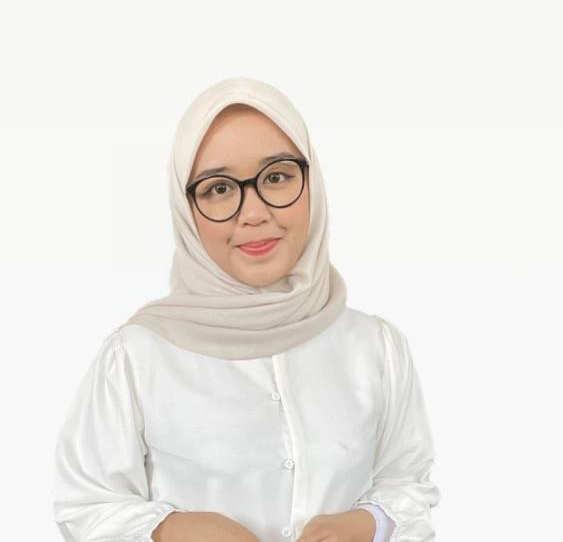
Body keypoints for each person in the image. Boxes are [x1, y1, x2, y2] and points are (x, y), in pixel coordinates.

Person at [51, 76, 441, 542]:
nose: (253, 213)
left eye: (276, 177)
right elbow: (85, 505)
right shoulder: (136, 357)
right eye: (218, 188)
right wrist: (171, 530)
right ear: (186, 208)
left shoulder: (375, 348)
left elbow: (407, 481)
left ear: (312, 183)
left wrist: (371, 522)